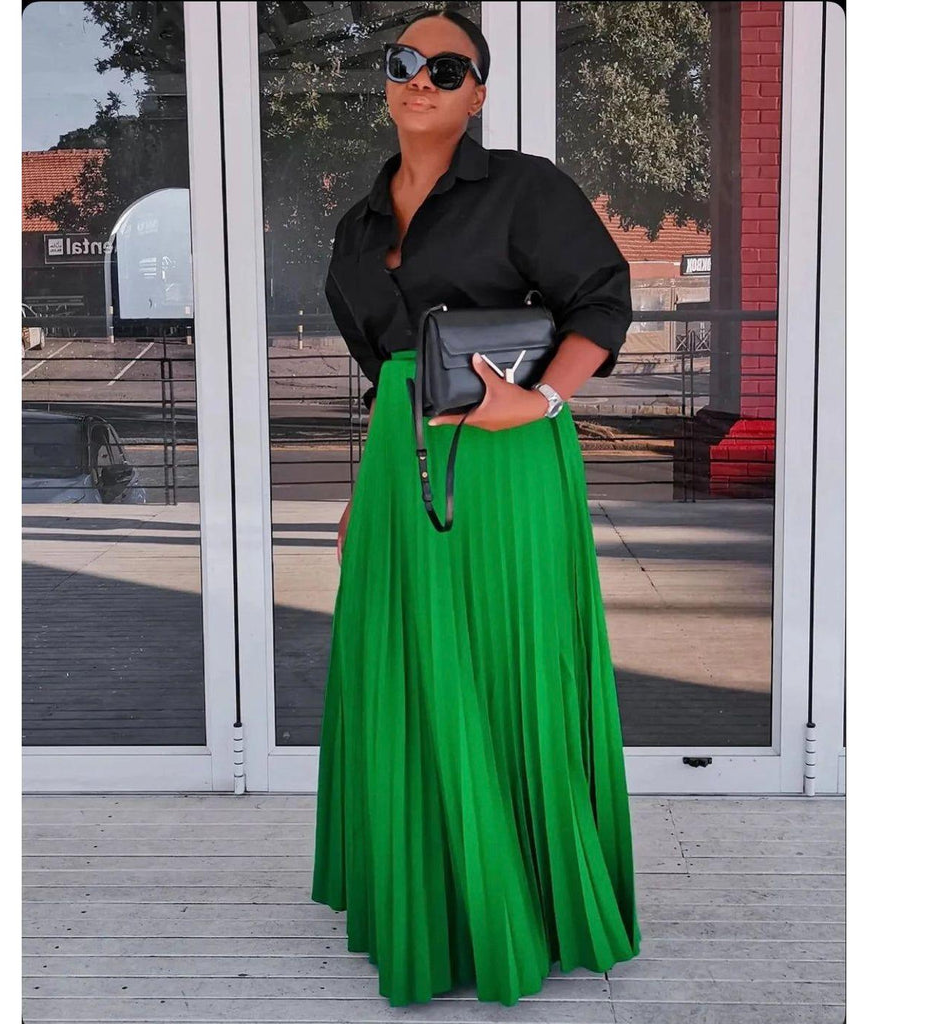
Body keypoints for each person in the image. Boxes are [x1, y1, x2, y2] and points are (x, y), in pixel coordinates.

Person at [310, 8, 641, 1008]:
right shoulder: (357, 224)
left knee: (506, 663)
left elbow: (602, 299)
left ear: (478, 93)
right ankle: (430, 903)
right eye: (403, 61)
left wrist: (540, 401)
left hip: (507, 453)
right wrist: (359, 494)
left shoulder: (524, 187)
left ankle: (519, 907)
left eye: (446, 68)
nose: (421, 78)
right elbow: (382, 372)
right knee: (407, 667)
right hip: (399, 463)